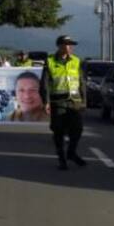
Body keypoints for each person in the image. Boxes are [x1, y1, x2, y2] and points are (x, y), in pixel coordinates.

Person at [42, 35, 87, 170]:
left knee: (78, 129)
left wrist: (84, 101)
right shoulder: (50, 61)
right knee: (58, 131)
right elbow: (44, 84)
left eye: (70, 45)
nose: (69, 47)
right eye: (66, 44)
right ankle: (62, 158)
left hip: (75, 101)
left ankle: (71, 152)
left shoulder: (76, 61)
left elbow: (81, 82)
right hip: (58, 101)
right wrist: (46, 102)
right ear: (59, 46)